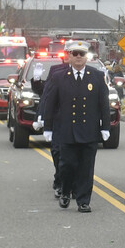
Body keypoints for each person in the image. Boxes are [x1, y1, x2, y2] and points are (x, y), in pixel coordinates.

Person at [38, 41, 111, 212]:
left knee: (86, 168)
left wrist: (105, 127)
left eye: (82, 54)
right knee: (67, 165)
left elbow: (104, 105)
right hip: (67, 131)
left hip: (89, 130)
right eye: (75, 53)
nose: (78, 57)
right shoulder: (59, 76)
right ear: (69, 56)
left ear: (87, 57)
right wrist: (47, 127)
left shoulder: (97, 76)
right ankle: (65, 191)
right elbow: (50, 104)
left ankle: (83, 200)